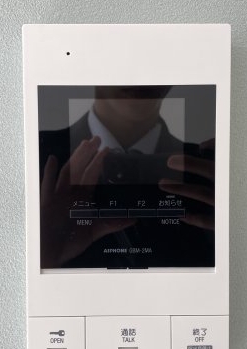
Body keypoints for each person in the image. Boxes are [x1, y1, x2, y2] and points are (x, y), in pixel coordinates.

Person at [38, 85, 214, 269]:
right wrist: (43, 257)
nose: (138, 75)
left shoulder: (210, 175)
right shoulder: (33, 156)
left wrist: (231, 231)